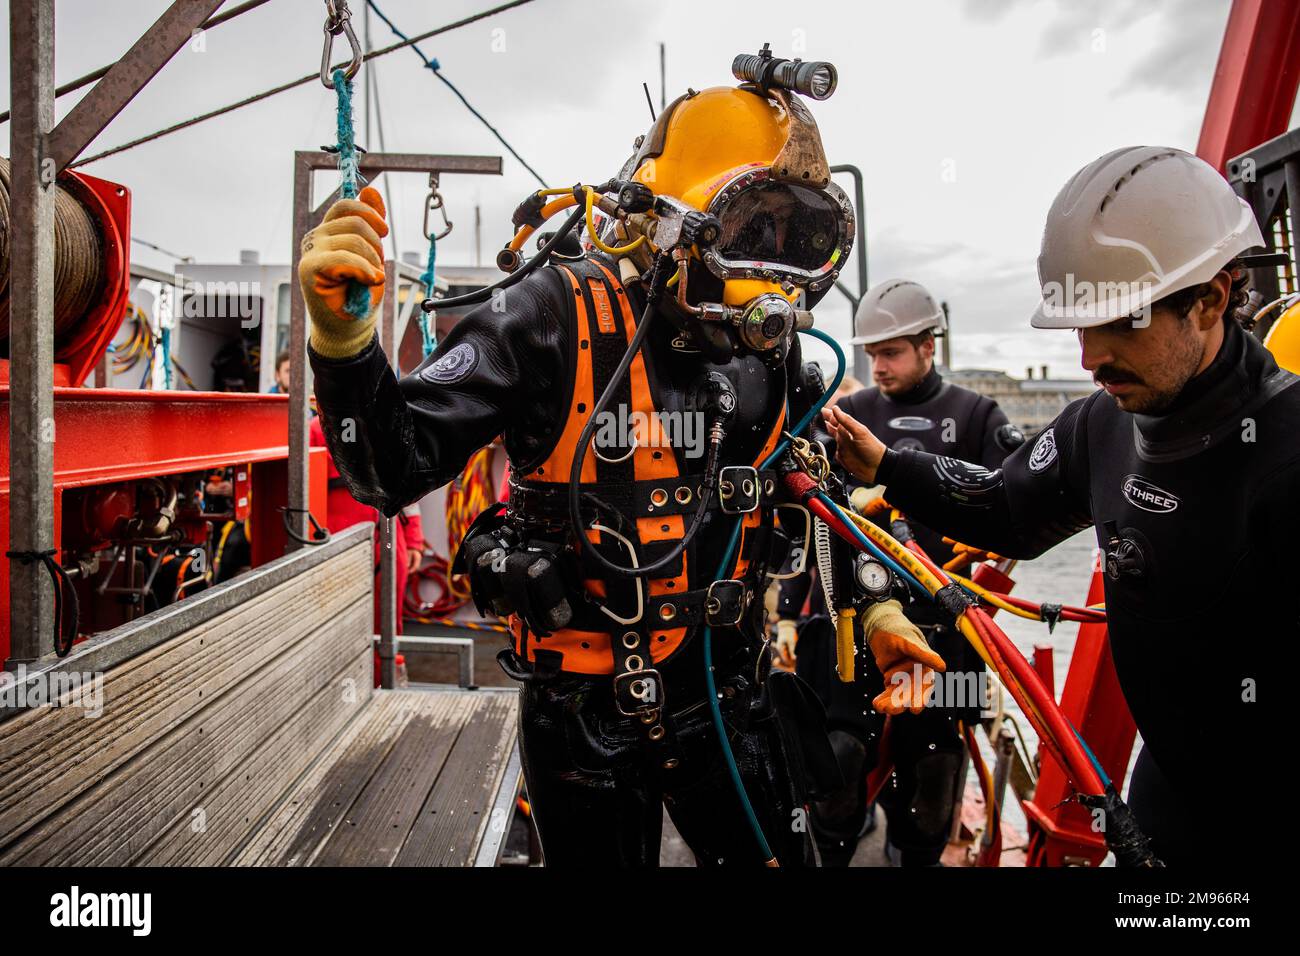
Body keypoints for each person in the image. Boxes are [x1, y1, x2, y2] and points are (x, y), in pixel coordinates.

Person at [300, 52, 945, 867]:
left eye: (800, 240)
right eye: (754, 231)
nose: (773, 273)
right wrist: (345, 342)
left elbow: (813, 494)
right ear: (671, 216)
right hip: (581, 716)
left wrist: (878, 606)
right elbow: (386, 470)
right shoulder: (546, 316)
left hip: (727, 695)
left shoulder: (769, 355)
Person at [824, 145, 1296, 866]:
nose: (1090, 358)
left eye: (1122, 322)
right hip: (1167, 802)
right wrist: (889, 465)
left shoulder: (1286, 451)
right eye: (1080, 326)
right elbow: (1006, 506)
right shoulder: (1101, 426)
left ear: (1212, 298)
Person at [776, 279, 1021, 866]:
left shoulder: (978, 416)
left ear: (927, 346)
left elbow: (1018, 515)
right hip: (852, 622)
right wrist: (788, 613)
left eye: (891, 352)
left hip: (945, 623)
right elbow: (803, 518)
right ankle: (834, 848)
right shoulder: (846, 415)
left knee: (935, 771)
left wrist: (986, 570)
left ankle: (914, 856)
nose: (877, 366)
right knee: (837, 757)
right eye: (871, 354)